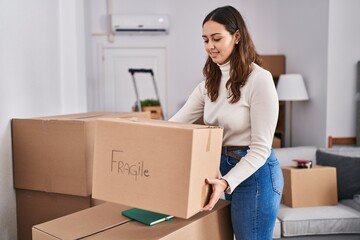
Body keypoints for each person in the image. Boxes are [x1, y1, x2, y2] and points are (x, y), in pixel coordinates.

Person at [169, 5, 284, 240]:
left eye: (216, 38)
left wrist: (225, 182)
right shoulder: (209, 83)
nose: (210, 46)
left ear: (237, 36)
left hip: (256, 176)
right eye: (205, 40)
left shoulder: (259, 81)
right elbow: (175, 125)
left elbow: (261, 149)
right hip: (224, 173)